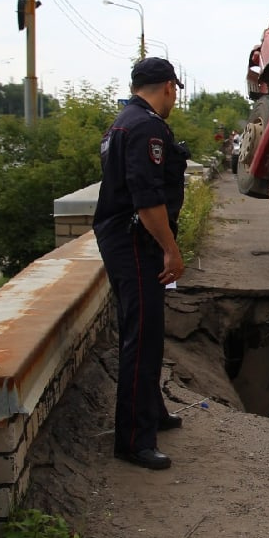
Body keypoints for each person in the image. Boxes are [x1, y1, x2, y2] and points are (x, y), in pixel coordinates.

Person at [93, 57, 190, 470]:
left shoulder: (123, 121)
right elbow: (146, 197)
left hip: (124, 239)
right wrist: (170, 248)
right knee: (141, 338)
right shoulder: (147, 127)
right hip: (136, 242)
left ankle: (151, 412)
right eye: (175, 91)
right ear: (168, 86)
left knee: (148, 332)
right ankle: (134, 440)